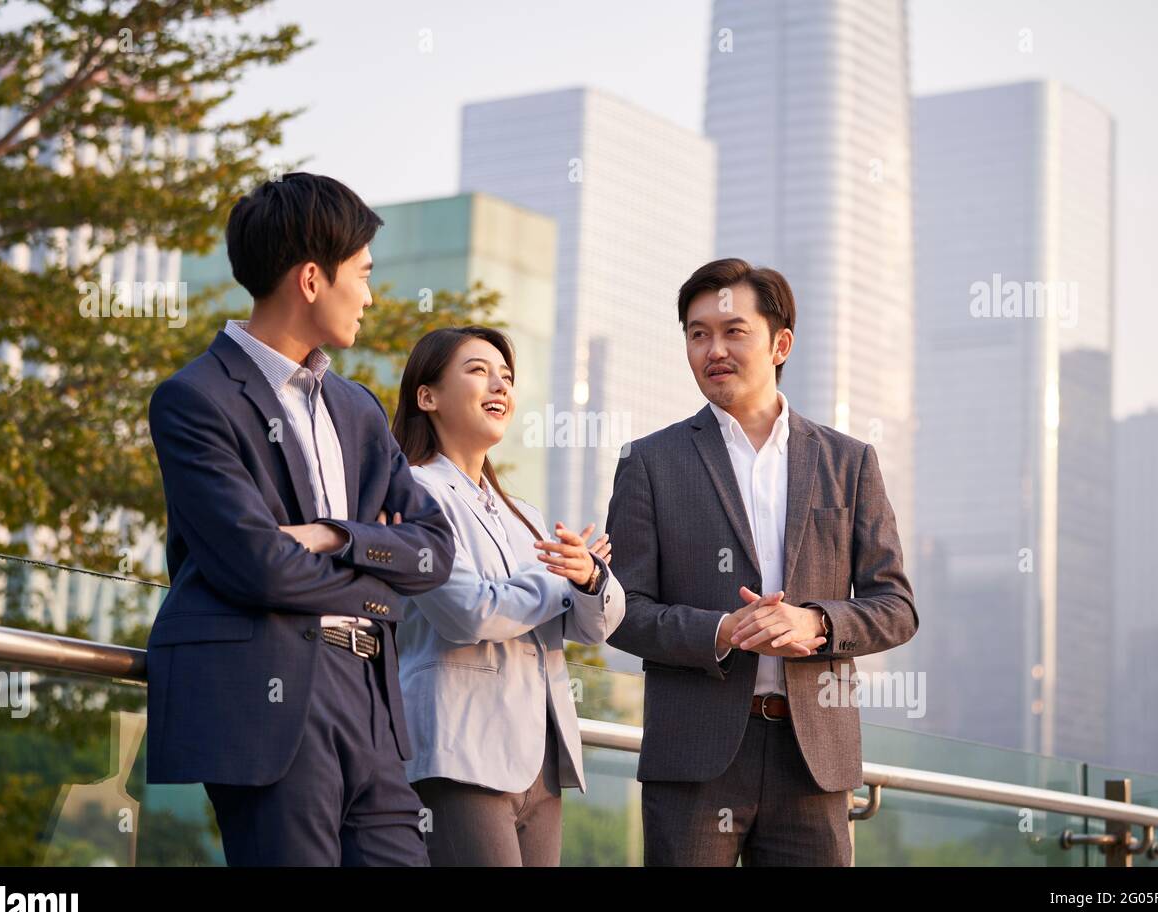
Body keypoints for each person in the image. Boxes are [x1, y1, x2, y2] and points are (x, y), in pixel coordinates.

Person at [145, 172, 455, 866]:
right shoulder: (194, 401)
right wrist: (381, 576)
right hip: (269, 699)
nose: (371, 297)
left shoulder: (358, 408)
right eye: (364, 274)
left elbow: (435, 549)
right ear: (312, 279)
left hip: (373, 703)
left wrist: (333, 537)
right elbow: (256, 567)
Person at [605, 257, 918, 866]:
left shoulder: (849, 463)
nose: (712, 349)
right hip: (694, 759)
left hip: (813, 762)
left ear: (781, 343)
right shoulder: (649, 462)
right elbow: (621, 612)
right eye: (697, 334)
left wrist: (817, 624)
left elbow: (897, 608)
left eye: (731, 331)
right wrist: (719, 632)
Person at [390, 325, 626, 866]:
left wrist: (590, 580)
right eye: (478, 370)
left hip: (541, 759)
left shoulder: (525, 515)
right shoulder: (413, 490)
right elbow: (470, 611)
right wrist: (561, 580)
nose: (499, 384)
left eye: (507, 376)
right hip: (460, 749)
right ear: (427, 397)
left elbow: (594, 626)